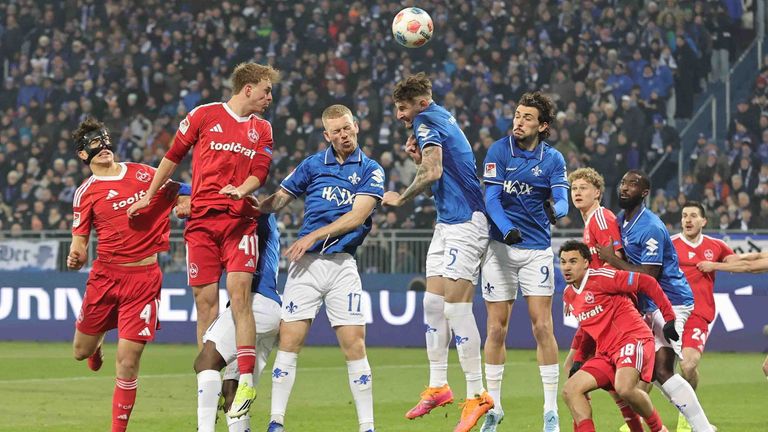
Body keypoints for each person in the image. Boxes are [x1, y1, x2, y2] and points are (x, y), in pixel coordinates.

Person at [127, 62, 279, 418]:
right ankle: (209, 382)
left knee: (240, 296)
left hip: (239, 223)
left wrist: (240, 190)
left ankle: (244, 381)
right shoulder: (203, 115)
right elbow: (172, 158)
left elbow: (260, 172)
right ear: (247, 89)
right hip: (201, 225)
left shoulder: (263, 129)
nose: (269, 97)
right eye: (266, 90)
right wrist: (150, 196)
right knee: (206, 303)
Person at [257, 104, 383, 432]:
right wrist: (247, 205)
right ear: (327, 135)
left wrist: (311, 235)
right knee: (289, 340)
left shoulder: (371, 170)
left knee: (355, 343)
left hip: (342, 266)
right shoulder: (313, 165)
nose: (344, 135)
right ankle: (276, 422)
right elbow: (279, 200)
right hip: (307, 266)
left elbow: (357, 217)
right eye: (336, 131)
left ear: (356, 127)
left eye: (348, 128)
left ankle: (367, 426)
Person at [381, 72, 492, 432]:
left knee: (456, 308)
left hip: (466, 222)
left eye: (403, 108)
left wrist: (401, 196)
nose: (400, 115)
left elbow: (434, 172)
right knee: (432, 304)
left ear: (421, 103)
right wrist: (420, 162)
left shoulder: (427, 120)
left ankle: (477, 395)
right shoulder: (440, 118)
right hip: (447, 222)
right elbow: (437, 170)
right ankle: (439, 385)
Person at [68, 118, 180, 432]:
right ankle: (98, 341)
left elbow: (173, 191)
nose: (103, 147)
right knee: (81, 352)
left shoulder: (143, 173)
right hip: (105, 278)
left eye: (104, 140)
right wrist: (76, 256)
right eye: (94, 143)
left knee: (128, 361)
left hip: (144, 280)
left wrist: (183, 201)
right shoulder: (85, 193)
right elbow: (80, 241)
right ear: (82, 155)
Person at [598, 170, 715, 432]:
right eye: (623, 182)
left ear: (645, 193)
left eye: (633, 184)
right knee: (655, 373)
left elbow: (649, 275)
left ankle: (702, 428)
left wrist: (612, 259)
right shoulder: (622, 221)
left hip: (672, 302)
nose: (625, 188)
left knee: (663, 369)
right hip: (650, 304)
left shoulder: (650, 226)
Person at [479, 91, 568, 432]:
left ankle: (549, 411)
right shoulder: (500, 150)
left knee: (541, 326)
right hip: (501, 249)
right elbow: (491, 197)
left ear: (542, 126)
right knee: (495, 327)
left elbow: (561, 199)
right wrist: (506, 228)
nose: (518, 121)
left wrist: (555, 210)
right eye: (517, 114)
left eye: (527, 117)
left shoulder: (553, 159)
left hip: (536, 251)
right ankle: (495, 406)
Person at [559, 240, 677, 432]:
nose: (567, 267)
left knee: (624, 388)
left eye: (573, 261)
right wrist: (579, 359)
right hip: (606, 352)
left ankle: (658, 429)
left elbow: (647, 282)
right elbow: (588, 327)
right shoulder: (568, 294)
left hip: (633, 338)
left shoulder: (603, 277)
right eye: (563, 262)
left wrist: (669, 317)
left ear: (586, 262)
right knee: (570, 390)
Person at [566, 167, 644, 432]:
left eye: (583, 188)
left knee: (574, 375)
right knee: (611, 386)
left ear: (597, 192)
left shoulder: (600, 218)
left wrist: (609, 296)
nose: (577, 193)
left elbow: (616, 263)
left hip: (611, 308)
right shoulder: (590, 222)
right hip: (600, 306)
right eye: (574, 189)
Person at [193, 213, 282, 432]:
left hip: (254, 304)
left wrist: (189, 198)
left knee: (205, 361)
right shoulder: (264, 222)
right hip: (269, 309)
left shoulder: (255, 215)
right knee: (232, 391)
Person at [671, 202, 737, 432]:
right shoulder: (670, 244)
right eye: (684, 216)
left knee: (688, 366)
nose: (688, 220)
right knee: (650, 370)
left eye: (693, 216)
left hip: (698, 315)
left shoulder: (716, 246)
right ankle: (634, 422)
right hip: (669, 314)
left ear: (703, 221)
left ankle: (686, 418)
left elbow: (737, 264)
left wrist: (714, 265)